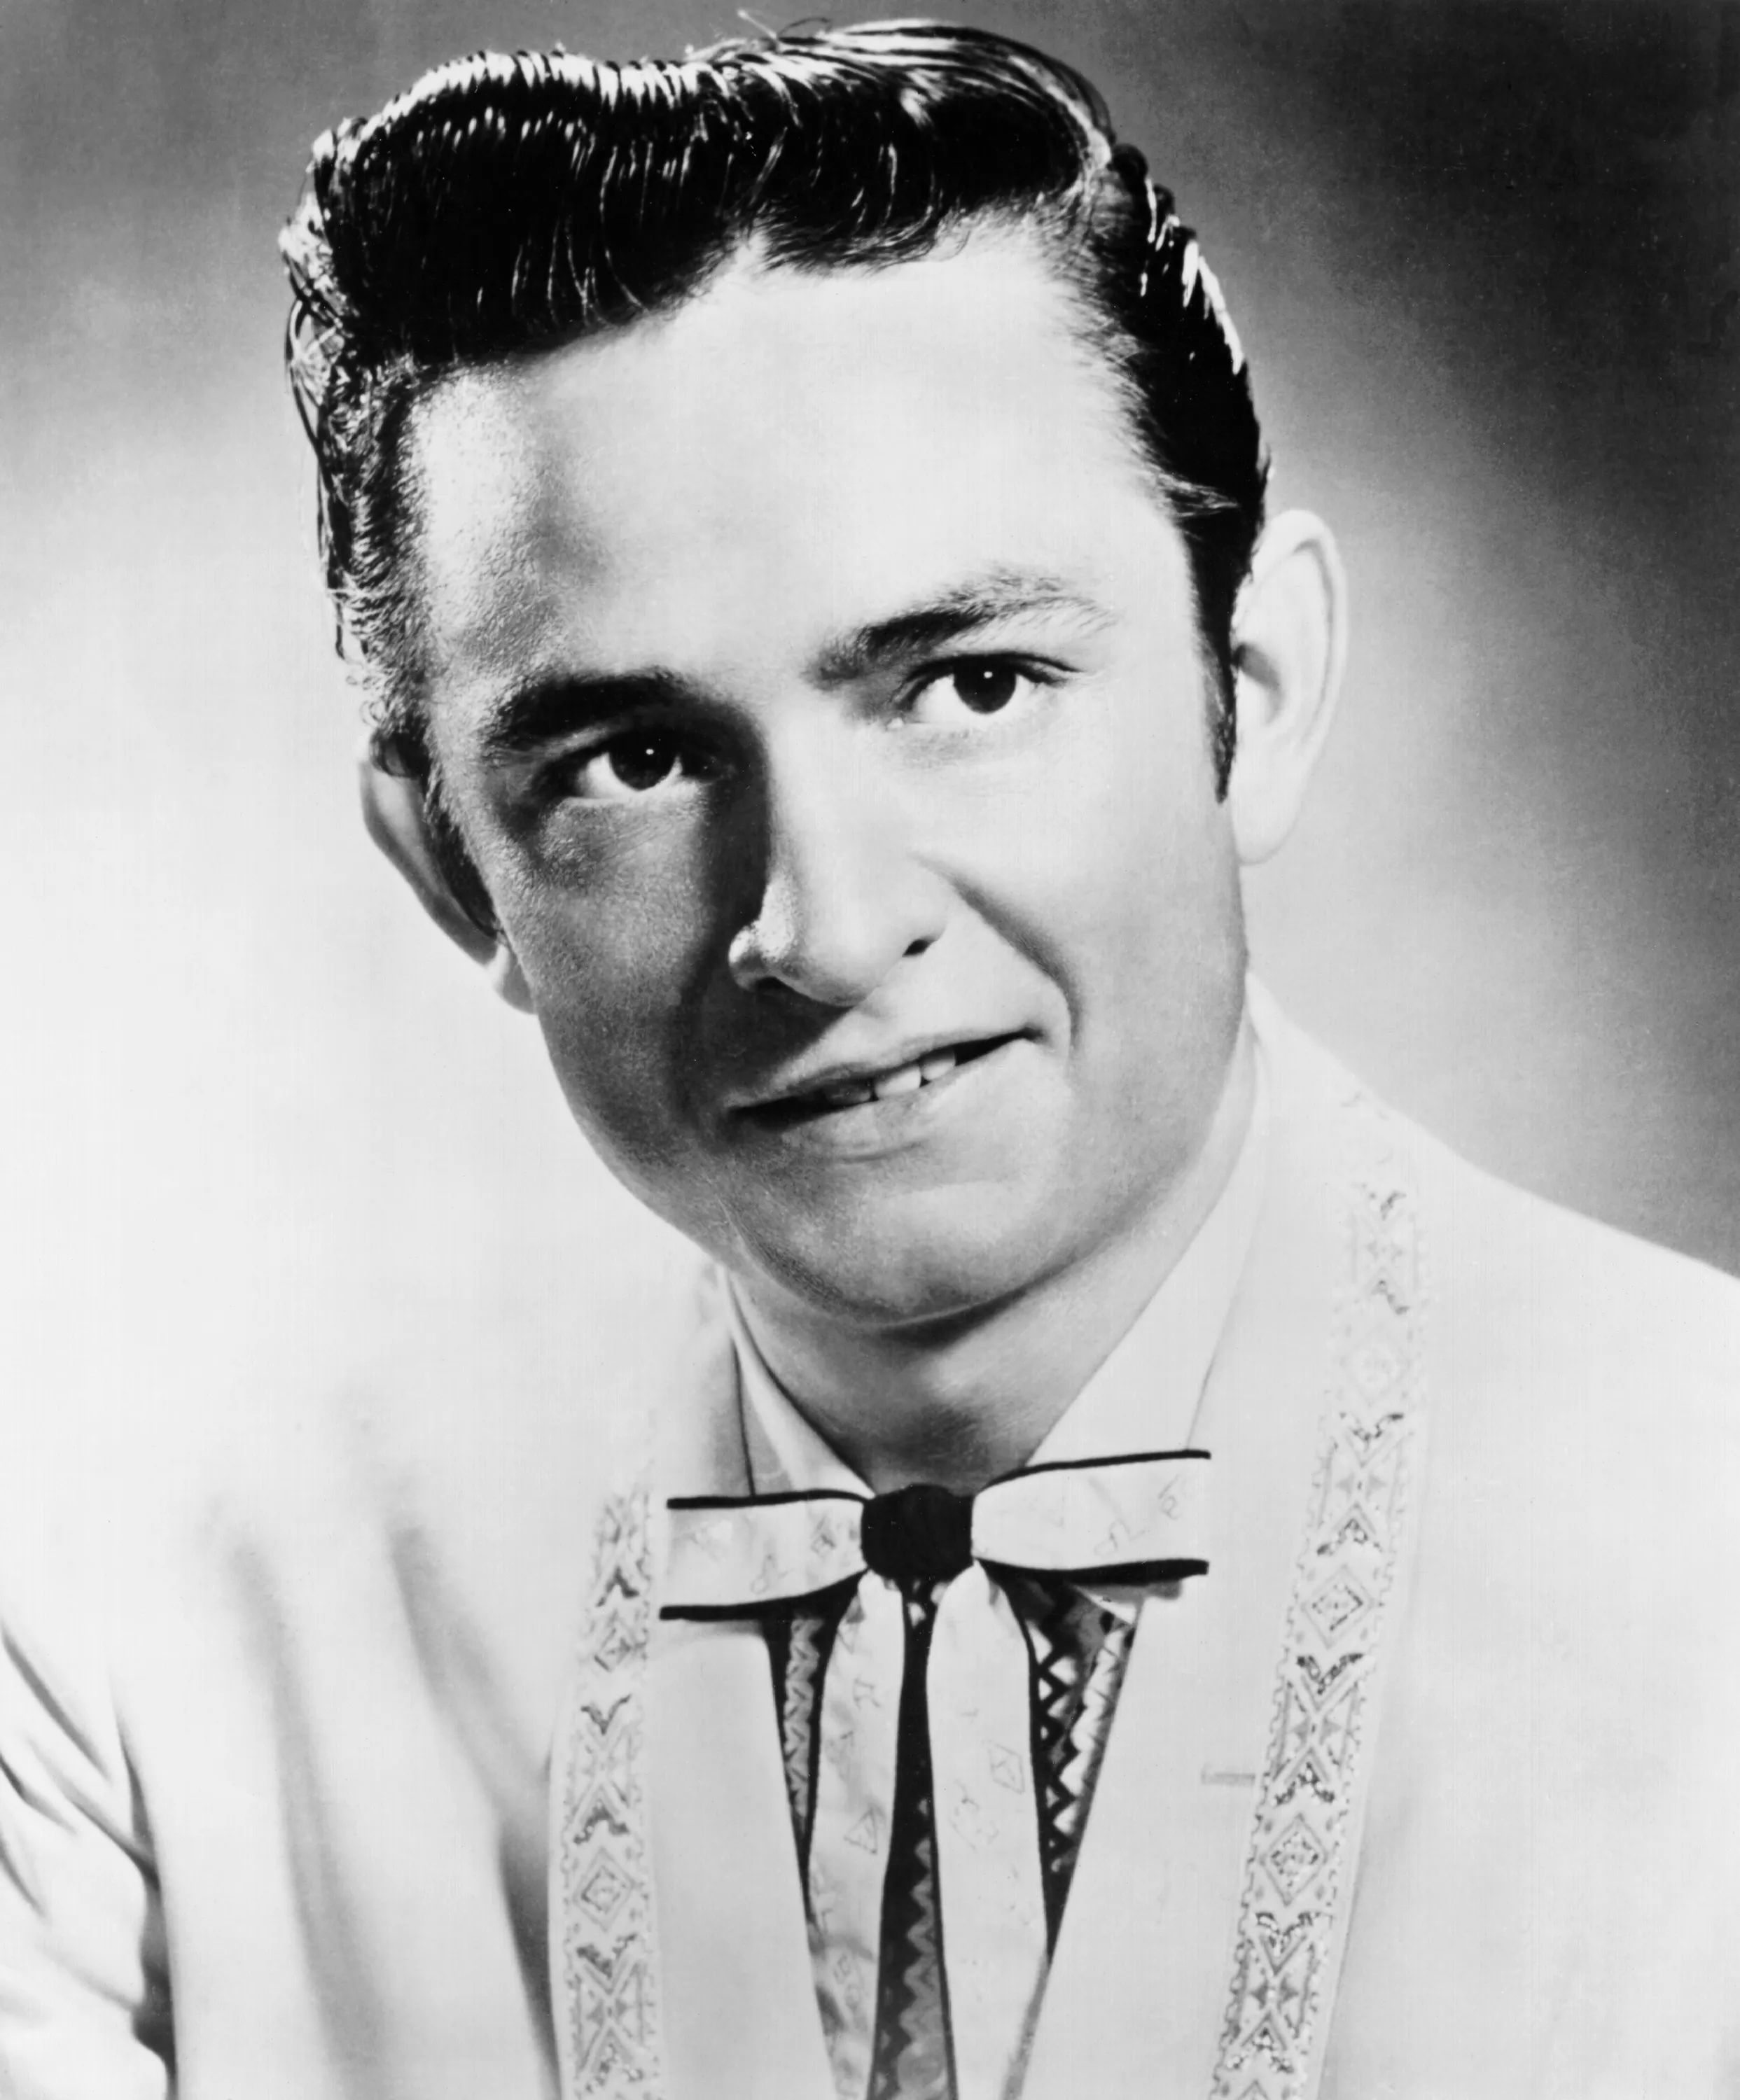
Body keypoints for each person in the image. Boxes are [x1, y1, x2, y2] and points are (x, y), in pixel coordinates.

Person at [2, 22, 1736, 2100]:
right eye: (634, 761)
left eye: (972, 686)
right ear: (453, 868)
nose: (818, 926)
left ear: (1255, 689)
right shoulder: (150, 1676)